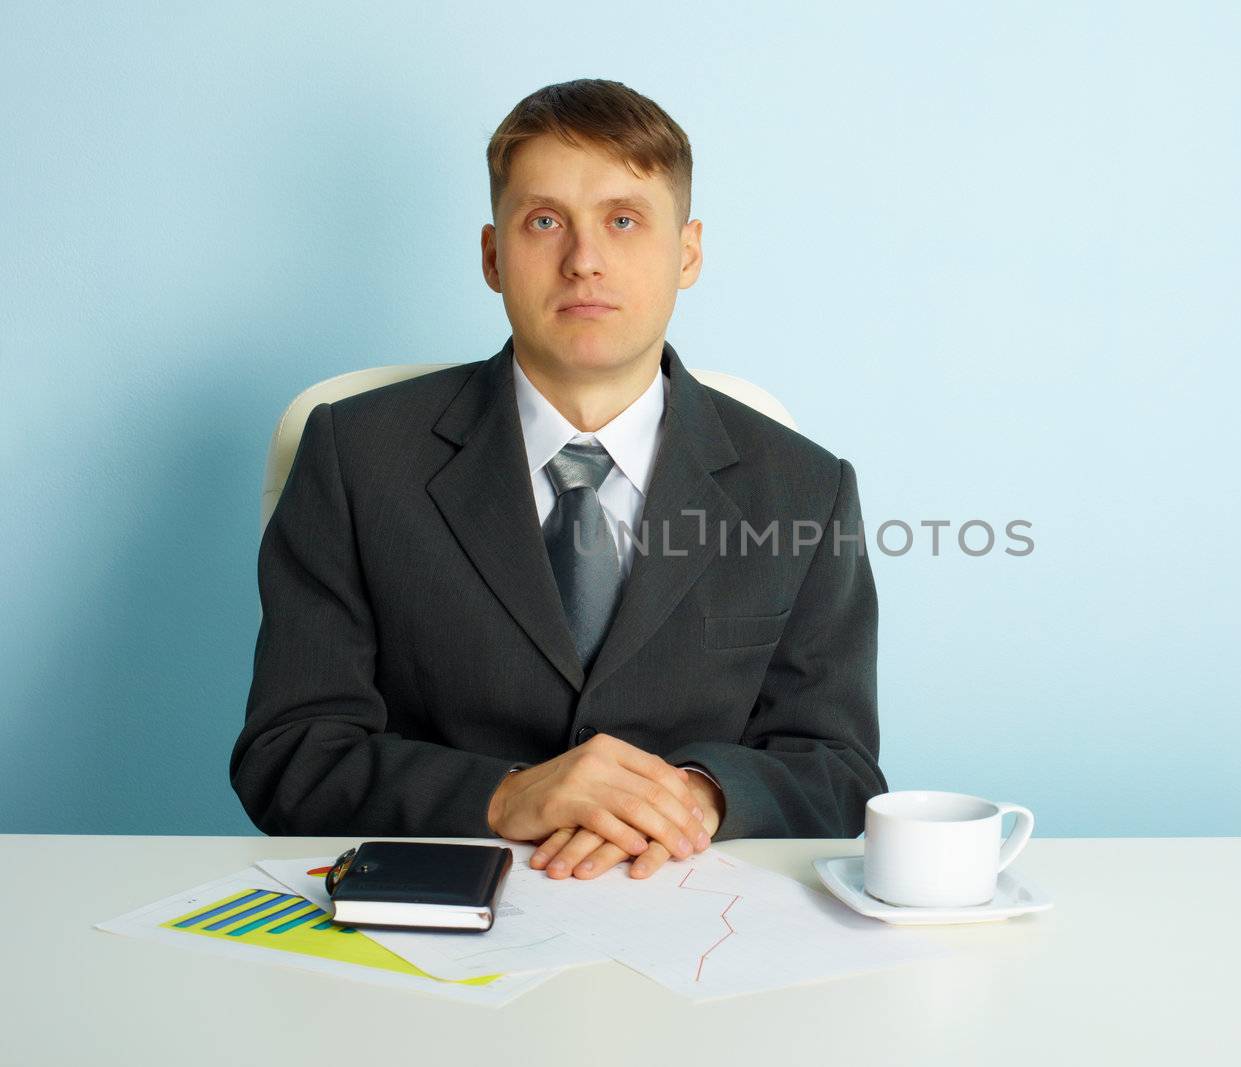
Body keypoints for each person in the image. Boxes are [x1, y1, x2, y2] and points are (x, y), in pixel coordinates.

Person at [230, 78, 885, 882]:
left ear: (687, 253)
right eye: (545, 221)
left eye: (623, 220)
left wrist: (699, 798)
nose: (584, 260)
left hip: (690, 921)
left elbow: (841, 771)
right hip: (432, 930)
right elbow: (288, 754)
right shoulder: (353, 455)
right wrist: (503, 796)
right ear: (492, 254)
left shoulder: (805, 490)